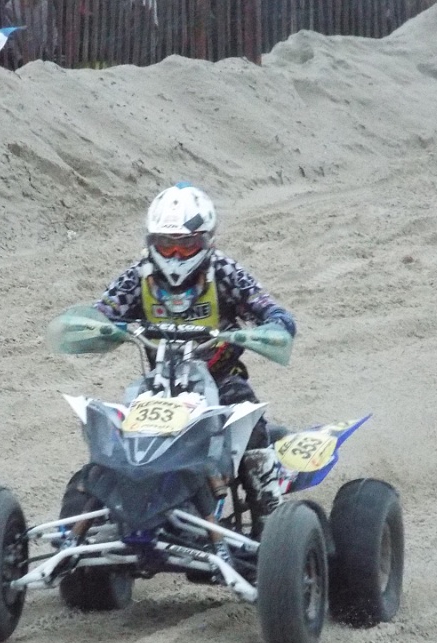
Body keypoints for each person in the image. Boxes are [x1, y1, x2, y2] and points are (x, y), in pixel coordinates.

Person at [89, 183, 297, 560]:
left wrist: (275, 321)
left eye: (186, 245)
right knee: (114, 432)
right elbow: (103, 309)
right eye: (166, 244)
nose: (175, 254)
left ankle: (272, 520)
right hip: (159, 385)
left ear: (206, 241)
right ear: (151, 241)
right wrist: (96, 324)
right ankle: (110, 509)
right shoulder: (140, 275)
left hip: (220, 381)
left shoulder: (224, 271)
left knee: (246, 416)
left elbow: (263, 303)